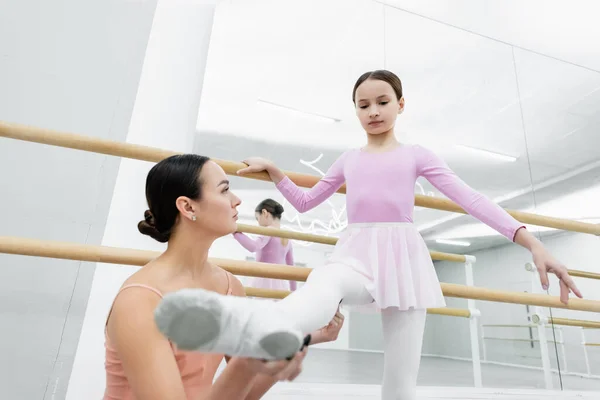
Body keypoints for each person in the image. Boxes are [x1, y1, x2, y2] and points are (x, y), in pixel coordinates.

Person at [154, 70, 582, 399]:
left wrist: (531, 240)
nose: (373, 111)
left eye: (382, 102)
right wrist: (279, 174)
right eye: (363, 105)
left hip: (404, 262)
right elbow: (305, 203)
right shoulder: (348, 159)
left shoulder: (417, 156)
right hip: (357, 252)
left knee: (398, 385)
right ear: (355, 110)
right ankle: (265, 327)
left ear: (400, 104)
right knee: (326, 280)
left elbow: (470, 199)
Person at [103, 154, 344, 400]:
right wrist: (247, 362)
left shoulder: (230, 287)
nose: (236, 200)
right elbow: (243, 370)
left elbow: (245, 394)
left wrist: (304, 339)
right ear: (188, 207)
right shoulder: (140, 301)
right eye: (225, 190)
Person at [233, 198, 297, 291]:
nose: (258, 223)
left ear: (264, 213)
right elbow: (292, 269)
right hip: (280, 284)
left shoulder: (269, 230)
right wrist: (293, 292)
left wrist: (235, 233)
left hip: (263, 280)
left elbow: (253, 247)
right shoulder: (287, 238)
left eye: (257, 218)